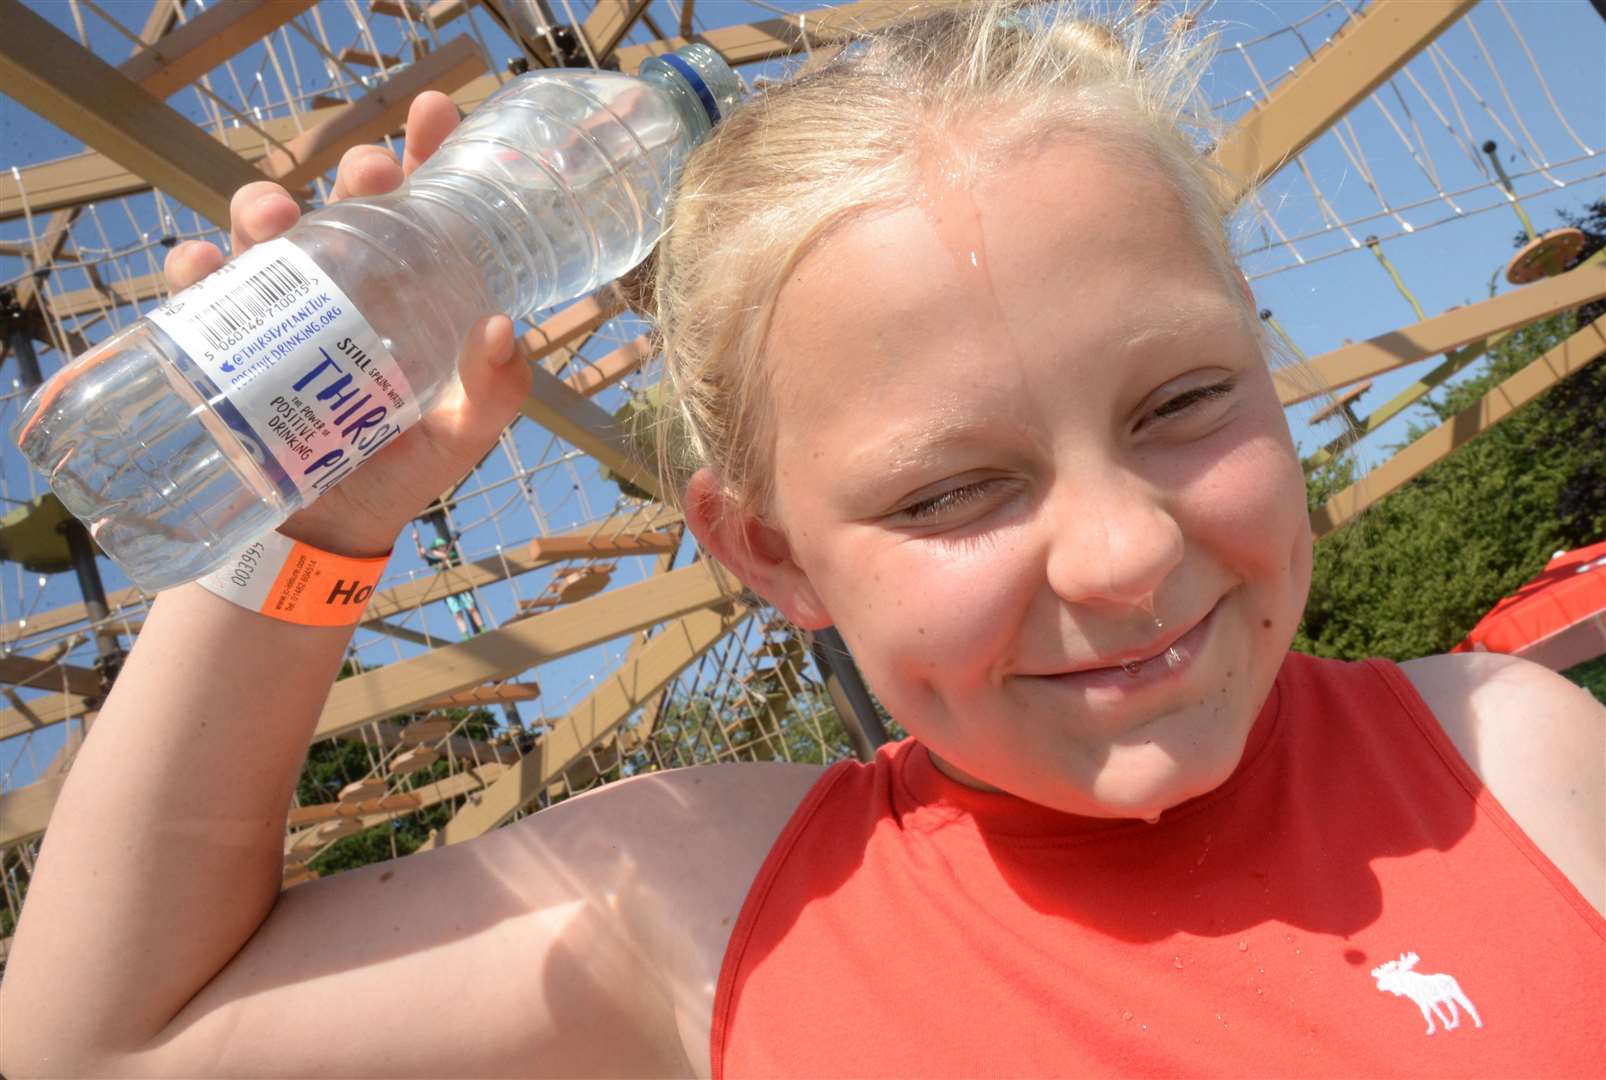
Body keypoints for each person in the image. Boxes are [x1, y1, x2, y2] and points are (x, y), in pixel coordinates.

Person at [1, 4, 1600, 1077]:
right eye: (949, 493)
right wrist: (315, 523)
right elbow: (100, 1045)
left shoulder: (1515, 753)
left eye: (1183, 399)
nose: (1119, 553)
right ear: (765, 554)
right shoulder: (712, 894)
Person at [413, 525, 486, 637]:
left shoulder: (450, 554)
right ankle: (465, 636)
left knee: (471, 608)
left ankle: (483, 629)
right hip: (446, 588)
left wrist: (427, 550)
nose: (444, 547)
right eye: (441, 546)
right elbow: (422, 555)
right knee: (457, 613)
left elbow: (444, 556)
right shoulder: (433, 559)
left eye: (444, 546)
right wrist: (417, 541)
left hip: (458, 583)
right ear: (436, 548)